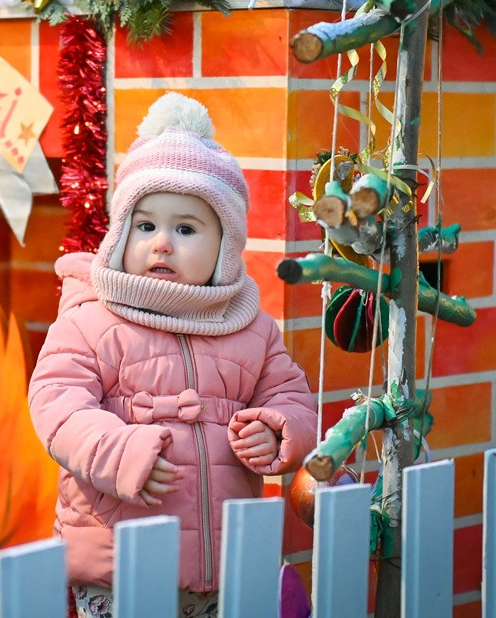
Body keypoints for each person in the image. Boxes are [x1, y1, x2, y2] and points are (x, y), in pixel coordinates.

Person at [27, 92, 318, 616]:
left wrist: (277, 431)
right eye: (146, 226)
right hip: (119, 562)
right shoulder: (91, 320)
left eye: (185, 229)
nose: (162, 243)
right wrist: (114, 450)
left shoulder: (249, 328)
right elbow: (56, 404)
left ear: (225, 247)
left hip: (224, 565)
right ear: (120, 235)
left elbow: (293, 398)